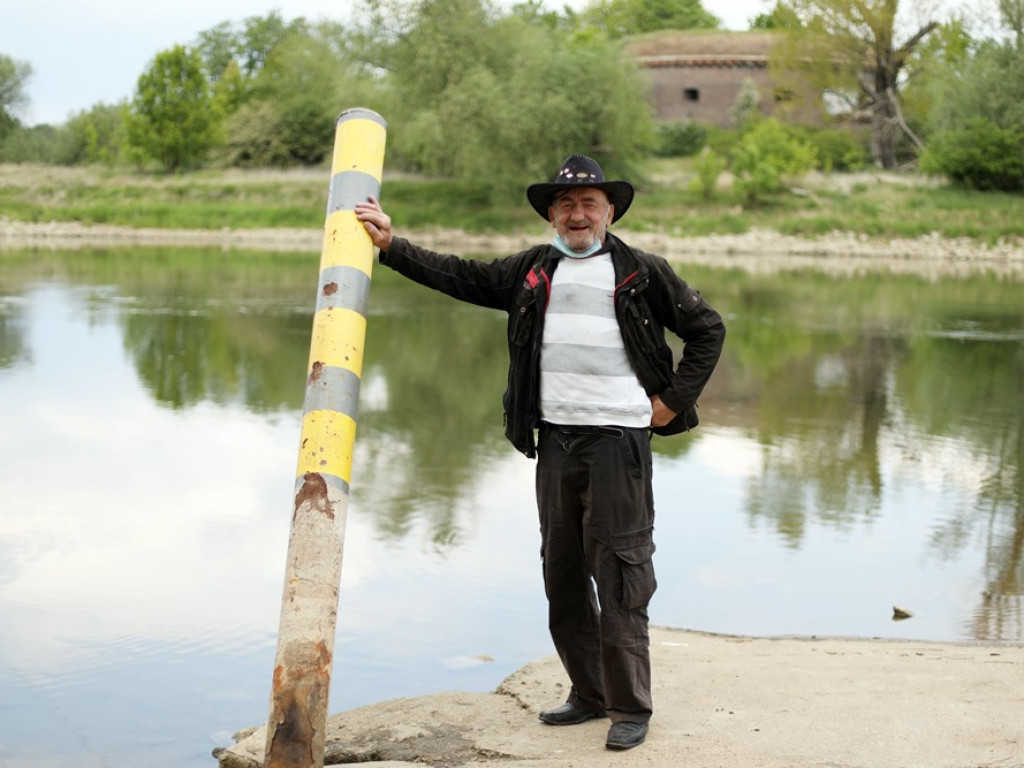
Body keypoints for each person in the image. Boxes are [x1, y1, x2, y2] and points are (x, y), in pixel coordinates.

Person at [355, 154, 725, 751]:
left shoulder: (642, 272)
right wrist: (393, 246)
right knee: (563, 575)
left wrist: (671, 404)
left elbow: (708, 328)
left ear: (609, 211)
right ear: (552, 215)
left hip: (617, 445)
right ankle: (588, 694)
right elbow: (463, 275)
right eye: (567, 205)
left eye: (590, 204)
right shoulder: (532, 271)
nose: (578, 214)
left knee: (622, 574)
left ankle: (630, 706)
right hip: (554, 441)